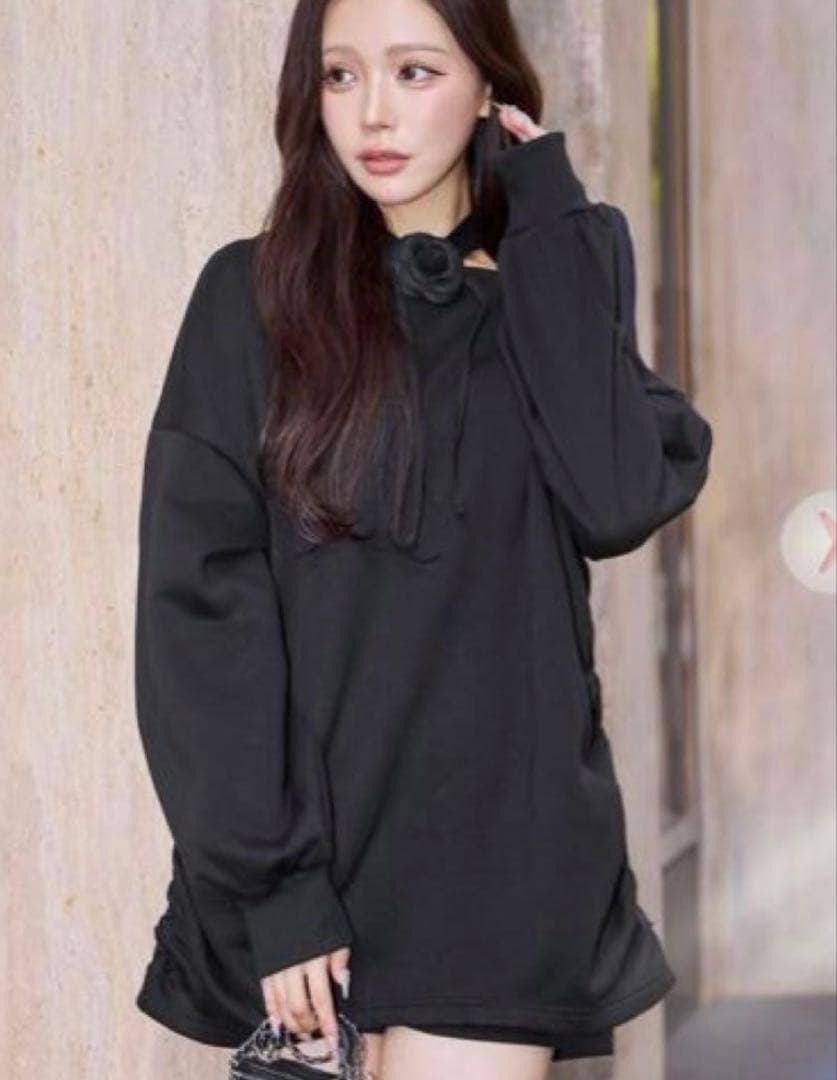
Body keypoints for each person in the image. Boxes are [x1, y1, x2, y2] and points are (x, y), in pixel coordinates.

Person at [133, 1, 713, 1078]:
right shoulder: (247, 300)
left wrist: (544, 214)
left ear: (488, 83)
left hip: (504, 869)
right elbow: (199, 620)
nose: (373, 114)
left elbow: (619, 496)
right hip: (312, 868)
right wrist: (276, 887)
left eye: (413, 71)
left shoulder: (551, 278)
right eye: (340, 76)